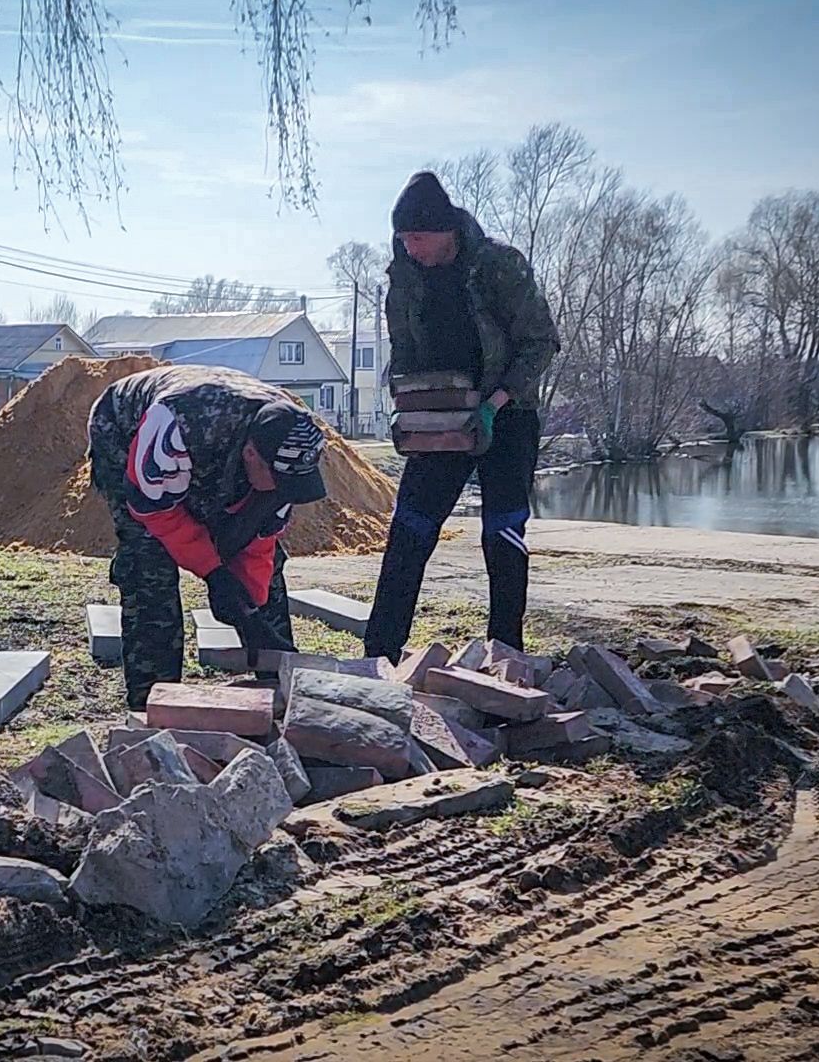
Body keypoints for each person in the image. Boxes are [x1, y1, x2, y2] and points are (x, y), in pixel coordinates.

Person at [365, 171, 561, 660]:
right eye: (403, 238)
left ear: (445, 231)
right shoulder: (405, 279)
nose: (410, 247)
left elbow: (541, 342)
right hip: (439, 415)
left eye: (418, 238)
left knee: (503, 531)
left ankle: (506, 653)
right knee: (410, 528)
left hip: (507, 413)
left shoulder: (499, 266)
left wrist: (495, 404)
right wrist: (404, 406)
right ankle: (380, 652)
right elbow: (404, 349)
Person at [88, 365, 327, 709]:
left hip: (219, 443)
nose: (282, 492)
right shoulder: (175, 424)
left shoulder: (290, 440)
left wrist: (250, 611)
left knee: (265, 575)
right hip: (123, 432)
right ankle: (153, 703)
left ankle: (278, 686)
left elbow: (260, 541)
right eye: (278, 482)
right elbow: (155, 512)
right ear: (251, 456)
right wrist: (214, 574)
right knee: (148, 563)